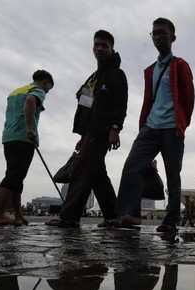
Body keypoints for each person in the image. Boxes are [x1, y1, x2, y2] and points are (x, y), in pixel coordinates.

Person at [109, 17, 195, 233]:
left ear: (172, 38)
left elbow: (188, 98)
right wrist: (144, 123)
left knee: (172, 175)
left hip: (172, 128)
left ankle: (171, 220)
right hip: (150, 127)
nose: (157, 36)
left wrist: (181, 123)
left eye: (162, 33)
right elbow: (149, 99)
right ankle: (130, 213)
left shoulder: (180, 65)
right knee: (132, 166)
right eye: (154, 33)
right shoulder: (151, 70)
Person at [46, 30, 127, 228]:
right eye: (96, 45)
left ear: (112, 49)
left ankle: (70, 216)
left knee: (81, 170)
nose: (99, 48)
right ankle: (113, 215)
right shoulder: (93, 78)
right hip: (90, 131)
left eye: (104, 45)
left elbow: (120, 104)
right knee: (97, 174)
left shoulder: (117, 74)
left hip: (102, 130)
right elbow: (86, 108)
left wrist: (115, 129)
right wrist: (82, 135)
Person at [0, 70, 53, 225]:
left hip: (8, 137)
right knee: (13, 176)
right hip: (23, 138)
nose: (47, 92)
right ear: (45, 82)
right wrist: (30, 128)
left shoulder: (15, 92)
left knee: (17, 177)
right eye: (48, 88)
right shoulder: (37, 90)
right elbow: (31, 101)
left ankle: (18, 215)